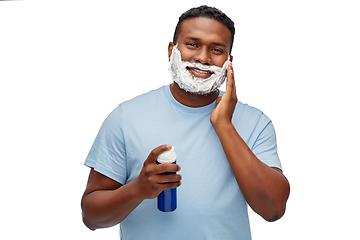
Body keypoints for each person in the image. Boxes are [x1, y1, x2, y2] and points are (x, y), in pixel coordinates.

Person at [81, 5, 290, 240]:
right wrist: (138, 189)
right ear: (172, 50)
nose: (203, 57)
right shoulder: (125, 117)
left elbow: (273, 209)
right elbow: (91, 217)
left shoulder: (256, 123)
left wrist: (224, 126)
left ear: (228, 62)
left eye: (216, 49)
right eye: (192, 44)